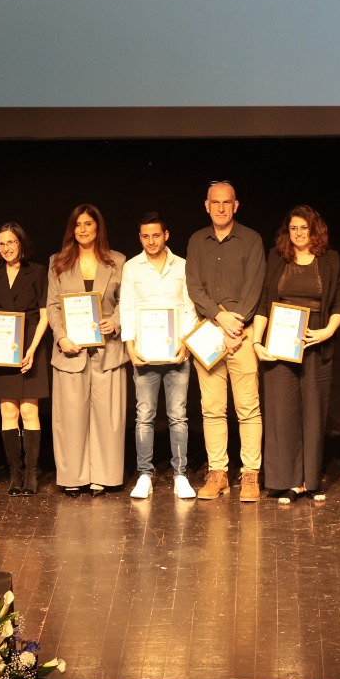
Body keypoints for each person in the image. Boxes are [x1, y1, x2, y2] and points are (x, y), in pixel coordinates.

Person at [251, 206, 340, 503]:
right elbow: (265, 302)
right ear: (287, 231)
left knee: (313, 411)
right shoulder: (277, 257)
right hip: (280, 340)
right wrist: (257, 342)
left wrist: (327, 332)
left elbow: (339, 303)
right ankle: (286, 480)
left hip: (315, 340)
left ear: (314, 230)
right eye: (293, 228)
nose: (299, 233)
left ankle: (308, 480)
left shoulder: (330, 259)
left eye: (304, 227)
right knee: (282, 411)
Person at [184, 181, 266, 501]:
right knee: (212, 409)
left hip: (242, 334)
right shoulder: (196, 241)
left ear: (236, 205)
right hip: (208, 333)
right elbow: (194, 287)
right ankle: (218, 473)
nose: (220, 208)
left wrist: (235, 327)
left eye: (226, 202)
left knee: (248, 408)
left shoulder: (252, 240)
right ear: (207, 206)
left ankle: (250, 474)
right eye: (215, 202)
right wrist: (220, 319)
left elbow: (254, 287)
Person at [46, 204, 128, 496]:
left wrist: (114, 322)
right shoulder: (57, 262)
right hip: (72, 350)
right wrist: (61, 337)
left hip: (109, 350)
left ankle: (103, 475)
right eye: (77, 224)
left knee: (107, 418)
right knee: (71, 418)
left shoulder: (118, 261)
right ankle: (73, 476)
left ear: (98, 227)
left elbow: (126, 302)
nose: (82, 230)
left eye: (88, 224)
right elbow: (52, 306)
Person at [117, 213, 197, 500]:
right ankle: (144, 475)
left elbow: (189, 307)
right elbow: (126, 308)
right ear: (140, 238)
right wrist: (129, 345)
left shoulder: (182, 266)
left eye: (156, 235)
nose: (151, 241)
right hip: (145, 354)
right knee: (144, 416)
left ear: (166, 235)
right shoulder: (131, 267)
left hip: (176, 353)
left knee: (178, 416)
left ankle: (180, 475)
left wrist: (186, 343)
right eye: (145, 236)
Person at [0, 223, 50, 496]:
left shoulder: (38, 272)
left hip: (31, 344)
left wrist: (32, 349)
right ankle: (15, 473)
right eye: (1, 243)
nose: (6, 248)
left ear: (21, 243)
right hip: (3, 349)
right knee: (8, 412)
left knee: (29, 412)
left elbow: (44, 315)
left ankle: (31, 473)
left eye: (11, 242)